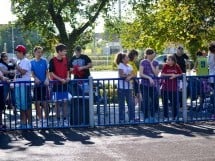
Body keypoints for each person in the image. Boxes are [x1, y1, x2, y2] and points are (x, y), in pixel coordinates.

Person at [49, 43, 70, 127]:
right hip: (56, 84)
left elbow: (68, 70)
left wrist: (67, 77)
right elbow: (51, 73)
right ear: (59, 51)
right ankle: (58, 120)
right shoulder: (52, 60)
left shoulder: (66, 59)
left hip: (64, 83)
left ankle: (65, 120)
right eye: (64, 51)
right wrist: (60, 79)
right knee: (57, 103)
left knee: (65, 102)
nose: (65, 52)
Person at [139, 48, 159, 123]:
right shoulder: (143, 62)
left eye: (153, 53)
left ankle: (153, 117)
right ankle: (146, 117)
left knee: (154, 101)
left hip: (153, 86)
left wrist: (151, 64)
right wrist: (149, 78)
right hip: (144, 85)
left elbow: (156, 74)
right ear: (147, 55)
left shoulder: (156, 62)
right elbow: (141, 74)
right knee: (146, 101)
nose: (153, 55)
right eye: (151, 54)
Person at [14, 45, 32, 129]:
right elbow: (17, 74)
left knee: (26, 105)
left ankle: (30, 123)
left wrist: (15, 65)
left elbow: (23, 72)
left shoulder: (26, 61)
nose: (16, 54)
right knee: (21, 105)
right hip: (18, 85)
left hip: (25, 85)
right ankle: (23, 122)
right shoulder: (18, 61)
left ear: (21, 52)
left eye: (17, 52)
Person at [31, 46, 49, 127]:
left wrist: (46, 79)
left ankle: (46, 120)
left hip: (44, 85)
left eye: (41, 52)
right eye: (38, 52)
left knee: (45, 103)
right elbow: (32, 73)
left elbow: (47, 71)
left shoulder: (44, 61)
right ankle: (40, 119)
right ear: (34, 52)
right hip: (36, 85)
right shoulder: (31, 62)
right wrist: (35, 78)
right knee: (37, 103)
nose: (40, 54)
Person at [160, 55, 182, 121]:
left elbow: (181, 74)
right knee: (165, 103)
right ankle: (166, 117)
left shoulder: (177, 66)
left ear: (173, 60)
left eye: (169, 60)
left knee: (174, 103)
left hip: (174, 88)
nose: (168, 61)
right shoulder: (165, 66)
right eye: (167, 60)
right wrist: (170, 74)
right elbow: (162, 74)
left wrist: (175, 75)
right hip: (165, 88)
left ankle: (175, 117)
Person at [115, 52, 135, 123]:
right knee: (121, 104)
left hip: (129, 87)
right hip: (121, 88)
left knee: (131, 104)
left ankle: (132, 119)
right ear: (123, 59)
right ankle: (122, 119)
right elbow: (121, 75)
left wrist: (129, 76)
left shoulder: (130, 66)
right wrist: (129, 75)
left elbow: (133, 74)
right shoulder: (120, 65)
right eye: (127, 57)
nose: (128, 58)